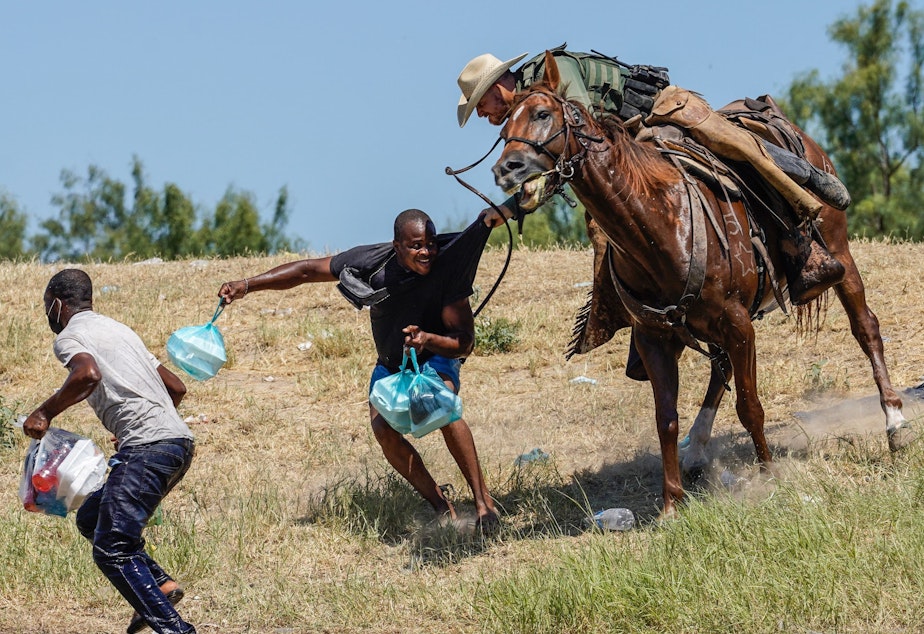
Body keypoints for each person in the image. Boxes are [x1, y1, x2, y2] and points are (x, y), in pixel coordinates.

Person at [457, 47, 851, 304]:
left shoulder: (551, 75)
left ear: (499, 85)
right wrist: (511, 205)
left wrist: (514, 204)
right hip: (625, 146)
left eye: (481, 102)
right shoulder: (527, 113)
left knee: (733, 151)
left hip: (658, 115)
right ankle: (633, 311)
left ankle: (802, 232)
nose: (480, 114)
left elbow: (580, 137)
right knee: (605, 227)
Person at [217, 209, 500, 531]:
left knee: (441, 405)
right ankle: (441, 506)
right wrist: (247, 285)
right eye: (417, 245)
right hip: (391, 365)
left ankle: (483, 504)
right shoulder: (371, 262)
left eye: (431, 244)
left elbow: (464, 343)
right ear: (397, 246)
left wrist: (428, 339)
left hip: (434, 356)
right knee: (384, 431)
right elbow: (308, 271)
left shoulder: (448, 271)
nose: (427, 253)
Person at [22, 268, 196, 634]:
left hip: (149, 447)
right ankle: (159, 584)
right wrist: (147, 428)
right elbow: (176, 388)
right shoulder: (119, 330)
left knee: (113, 547)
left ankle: (176, 630)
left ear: (57, 304)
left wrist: (44, 412)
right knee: (92, 519)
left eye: (46, 307)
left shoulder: (71, 336)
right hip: (177, 443)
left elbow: (87, 375)